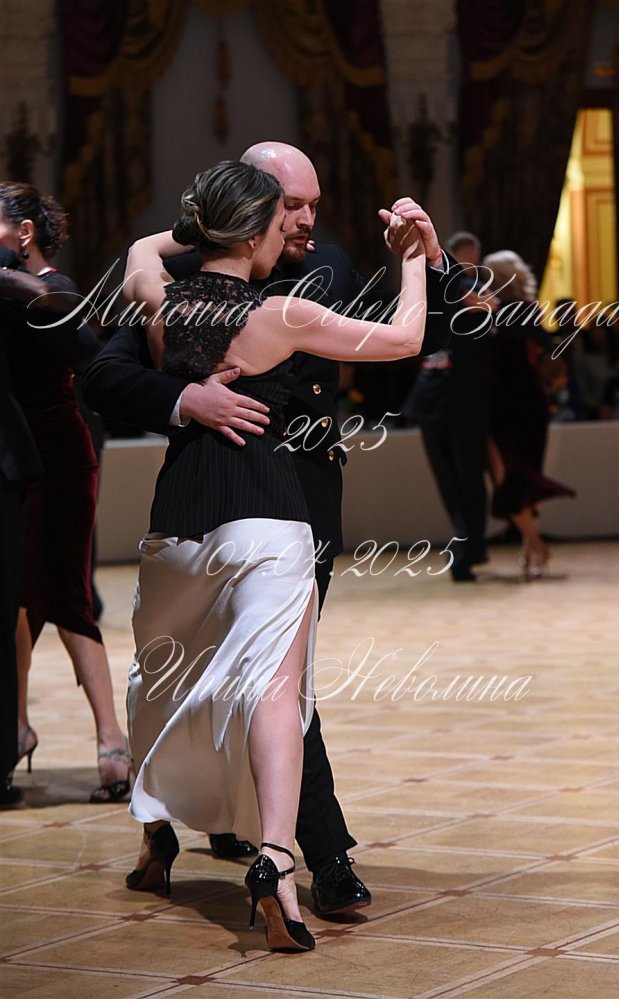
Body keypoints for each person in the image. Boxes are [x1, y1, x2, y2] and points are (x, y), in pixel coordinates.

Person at [82, 141, 461, 915]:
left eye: (314, 205)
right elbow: (104, 375)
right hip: (235, 502)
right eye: (289, 206)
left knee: (245, 679)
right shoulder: (250, 299)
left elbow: (425, 343)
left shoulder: (292, 272)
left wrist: (430, 261)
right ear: (254, 212)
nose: (305, 221)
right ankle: (284, 854)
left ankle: (306, 850)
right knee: (247, 682)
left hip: (285, 494)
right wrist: (186, 400)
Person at [0, 183, 131, 803]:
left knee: (67, 595)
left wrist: (11, 282)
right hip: (14, 460)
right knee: (17, 602)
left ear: (23, 232)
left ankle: (112, 740)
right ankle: (16, 729)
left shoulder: (55, 287)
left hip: (60, 455)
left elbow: (82, 344)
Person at [482, 250, 575, 578]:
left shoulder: (513, 310)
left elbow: (546, 343)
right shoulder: (501, 310)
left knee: (515, 475)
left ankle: (534, 544)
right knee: (512, 475)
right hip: (511, 402)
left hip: (518, 403)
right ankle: (533, 545)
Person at [404, 231, 491, 581]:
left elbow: (488, 309)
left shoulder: (478, 292)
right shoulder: (433, 289)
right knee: (452, 481)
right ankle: (467, 545)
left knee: (466, 479)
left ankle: (469, 548)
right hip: (432, 401)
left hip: (463, 401)